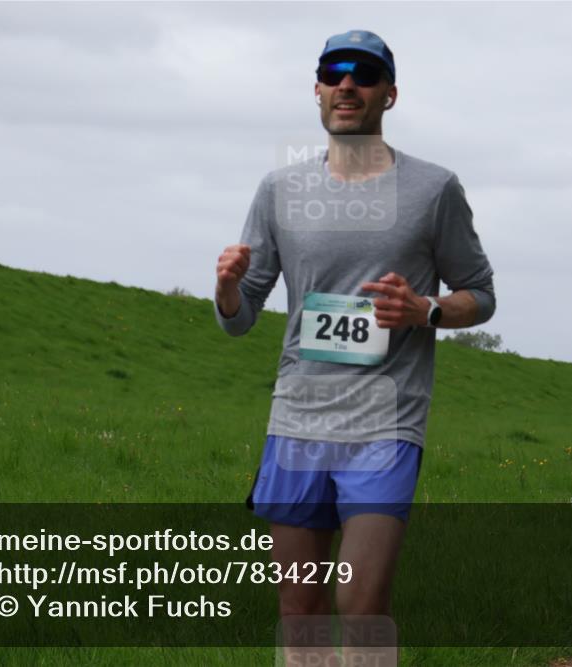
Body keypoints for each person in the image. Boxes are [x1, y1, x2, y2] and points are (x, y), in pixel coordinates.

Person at [213, 29, 495, 664]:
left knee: (360, 602)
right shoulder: (279, 189)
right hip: (298, 419)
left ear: (388, 95)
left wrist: (425, 309)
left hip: (385, 423)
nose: (347, 85)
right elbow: (240, 317)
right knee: (299, 609)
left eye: (364, 75)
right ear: (316, 89)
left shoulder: (433, 189)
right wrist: (228, 290)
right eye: (334, 73)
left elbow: (480, 293)